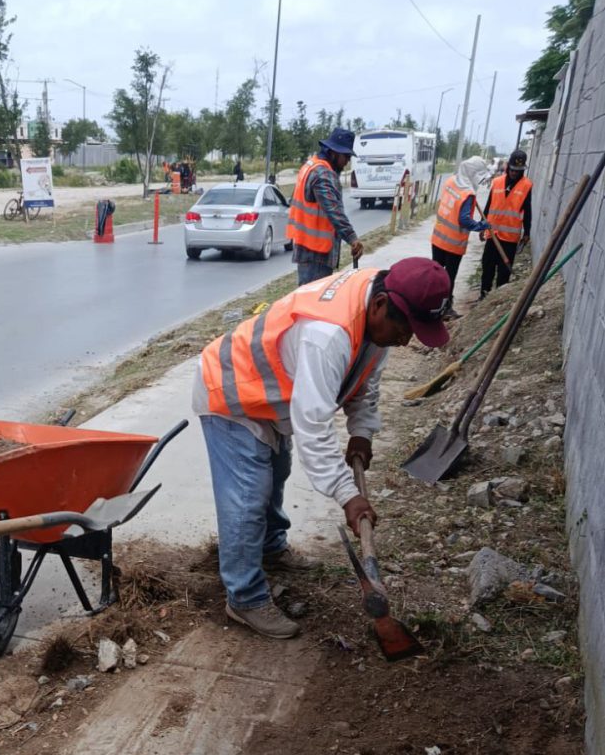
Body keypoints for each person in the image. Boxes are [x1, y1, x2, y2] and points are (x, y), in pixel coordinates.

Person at [192, 258, 452, 639]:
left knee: (276, 473)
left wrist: (361, 432)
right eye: (405, 329)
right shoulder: (327, 335)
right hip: (232, 392)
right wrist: (349, 496)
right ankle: (244, 596)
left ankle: (270, 547)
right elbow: (313, 425)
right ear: (380, 304)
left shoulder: (378, 306)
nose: (406, 340)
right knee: (249, 495)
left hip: (270, 397)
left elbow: (366, 380)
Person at [286, 127, 365, 286]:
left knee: (307, 300)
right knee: (312, 304)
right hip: (316, 252)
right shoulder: (323, 174)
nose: (347, 162)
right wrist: (352, 238)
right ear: (334, 152)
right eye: (346, 156)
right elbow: (334, 211)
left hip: (306, 248)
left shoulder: (310, 165)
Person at [430, 155, 491, 313]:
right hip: (452, 243)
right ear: (473, 173)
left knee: (435, 274)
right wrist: (481, 225)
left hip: (438, 237)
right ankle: (446, 308)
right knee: (449, 277)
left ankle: (430, 303)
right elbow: (464, 219)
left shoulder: (451, 181)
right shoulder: (467, 194)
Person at [479, 148, 532, 299]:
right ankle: (484, 296)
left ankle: (498, 299)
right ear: (508, 166)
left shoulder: (526, 186)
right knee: (487, 266)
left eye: (518, 171)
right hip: (492, 234)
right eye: (513, 169)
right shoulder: (497, 182)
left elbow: (528, 211)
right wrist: (482, 226)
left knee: (504, 271)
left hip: (509, 238)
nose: (514, 173)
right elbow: (488, 206)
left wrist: (527, 232)